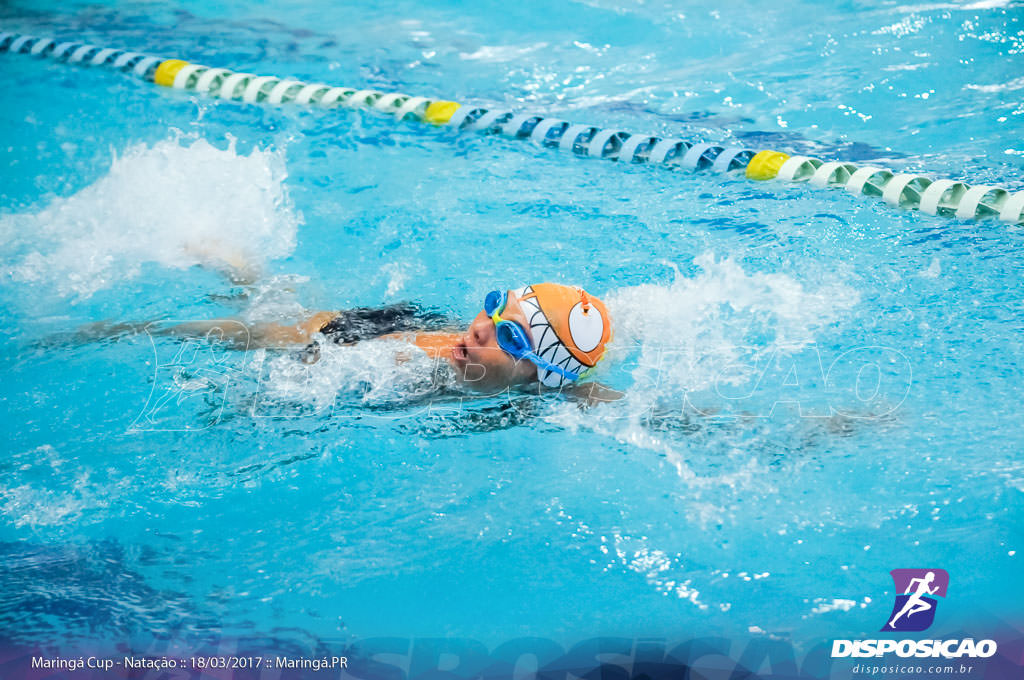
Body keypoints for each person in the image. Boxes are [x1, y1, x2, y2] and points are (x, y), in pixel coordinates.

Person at [132, 283, 618, 398]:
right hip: (361, 337)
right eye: (492, 305)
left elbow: (597, 397)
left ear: (543, 374)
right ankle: (132, 326)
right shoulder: (405, 363)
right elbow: (316, 372)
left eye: (508, 333)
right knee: (258, 333)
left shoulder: (551, 390)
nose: (481, 326)